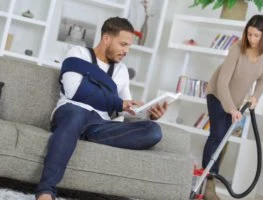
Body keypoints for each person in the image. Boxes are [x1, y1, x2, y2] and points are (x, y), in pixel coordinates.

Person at [36, 17, 168, 200]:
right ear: (106, 39)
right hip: (71, 112)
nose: (126, 51)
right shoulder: (78, 53)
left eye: (129, 46)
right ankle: (45, 192)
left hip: (98, 125)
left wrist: (150, 114)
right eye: (123, 44)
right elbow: (75, 92)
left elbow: (125, 108)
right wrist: (116, 103)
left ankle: (81, 134)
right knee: (76, 114)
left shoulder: (121, 71)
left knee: (153, 131)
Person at [202, 15, 263, 200]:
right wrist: (231, 109)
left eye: (256, 36)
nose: (251, 39)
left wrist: (256, 97)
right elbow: (223, 82)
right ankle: (207, 182)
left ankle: (211, 178)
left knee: (224, 139)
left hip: (237, 100)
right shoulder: (236, 49)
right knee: (217, 136)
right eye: (249, 34)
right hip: (218, 95)